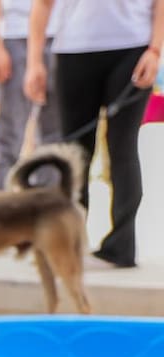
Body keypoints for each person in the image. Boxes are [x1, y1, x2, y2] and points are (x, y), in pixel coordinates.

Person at [26, 0, 163, 268]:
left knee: (122, 147)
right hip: (74, 48)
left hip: (132, 47)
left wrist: (156, 50)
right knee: (75, 153)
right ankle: (68, 241)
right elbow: (42, 5)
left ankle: (122, 245)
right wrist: (34, 63)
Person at [0, 0, 62, 190]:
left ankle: (45, 203)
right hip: (15, 35)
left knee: (53, 134)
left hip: (61, 35)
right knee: (10, 131)